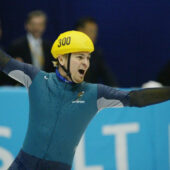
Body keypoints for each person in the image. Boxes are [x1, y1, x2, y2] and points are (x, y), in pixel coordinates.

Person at [0, 30, 170, 170]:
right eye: (80, 57)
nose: (86, 63)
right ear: (61, 59)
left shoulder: (94, 93)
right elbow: (4, 61)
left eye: (88, 58)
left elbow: (136, 98)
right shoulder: (36, 78)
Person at [75, 17, 118, 86]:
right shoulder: (67, 53)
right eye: (91, 31)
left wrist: (115, 90)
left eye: (95, 32)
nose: (94, 35)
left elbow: (107, 77)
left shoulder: (96, 54)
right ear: (80, 31)